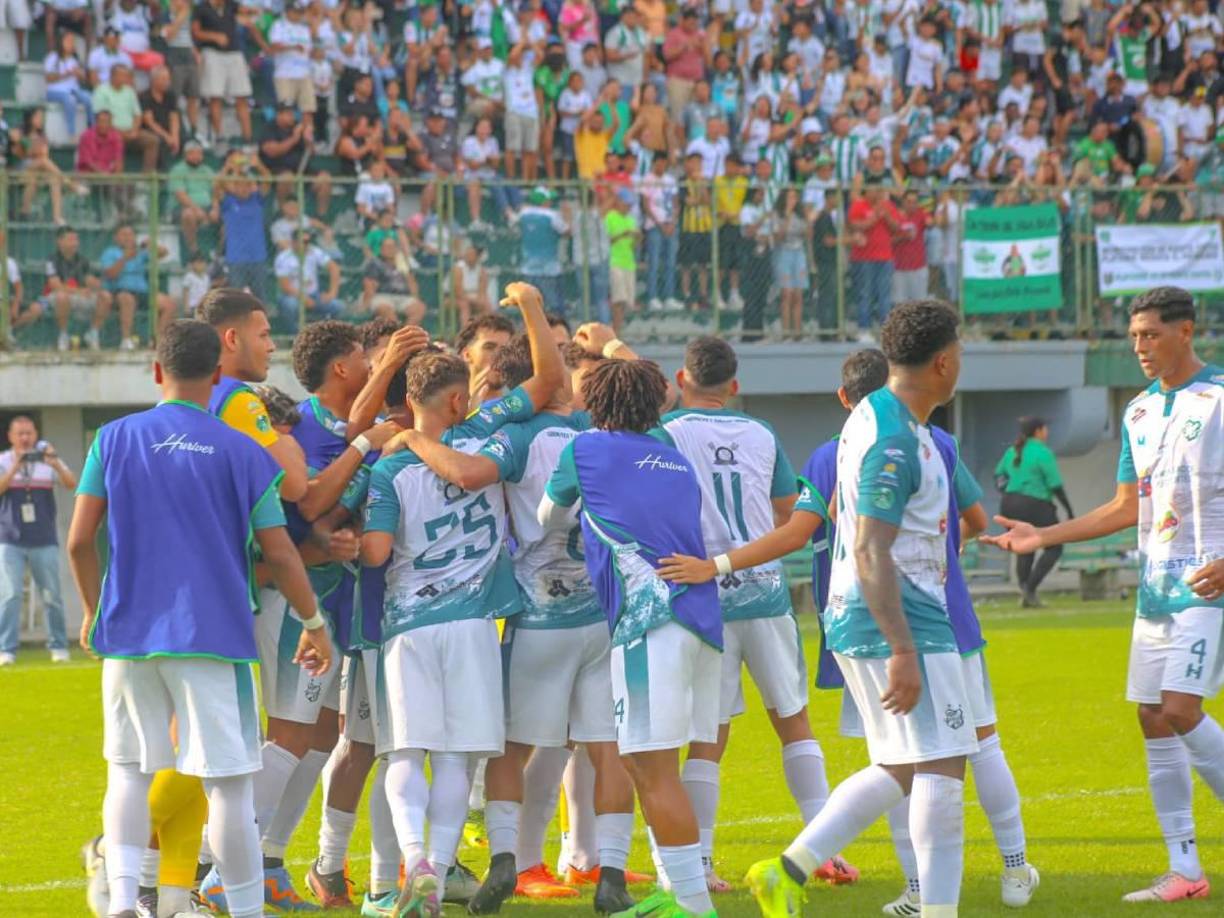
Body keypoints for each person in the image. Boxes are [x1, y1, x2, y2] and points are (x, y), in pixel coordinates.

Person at [66, 319, 332, 918]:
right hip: (215, 638)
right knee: (229, 786)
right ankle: (242, 909)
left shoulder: (111, 438)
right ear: (216, 376)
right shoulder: (242, 450)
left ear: (156, 370)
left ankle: (121, 905)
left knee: (129, 774)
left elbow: (80, 541)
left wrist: (91, 611)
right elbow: (281, 551)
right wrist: (314, 624)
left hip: (130, 637)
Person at [985, 285, 1224, 904]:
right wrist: (1044, 534)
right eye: (1135, 336)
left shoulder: (1220, 396)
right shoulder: (1140, 412)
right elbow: (1124, 506)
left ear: (1186, 332)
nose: (1141, 347)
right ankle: (1185, 869)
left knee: (1179, 709)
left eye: (1151, 335)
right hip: (1155, 586)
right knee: (1152, 718)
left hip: (1208, 583)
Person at [388, 327, 639, 914]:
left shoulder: (511, 435)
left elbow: (470, 475)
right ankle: (614, 874)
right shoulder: (598, 430)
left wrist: (410, 440)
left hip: (538, 616)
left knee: (509, 748)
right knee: (607, 750)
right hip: (603, 611)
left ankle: (505, 859)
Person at [746, 300, 978, 918]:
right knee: (943, 764)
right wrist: (903, 646)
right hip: (903, 616)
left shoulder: (879, 417)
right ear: (944, 361)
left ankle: (787, 869)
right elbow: (871, 546)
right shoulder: (896, 439)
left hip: (866, 611)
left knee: (901, 764)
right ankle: (938, 910)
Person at [361, 282, 562, 918]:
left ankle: (415, 859)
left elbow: (373, 554)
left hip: (408, 626)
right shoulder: (487, 431)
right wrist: (530, 307)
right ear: (457, 398)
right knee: (455, 757)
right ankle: (437, 880)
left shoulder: (390, 467)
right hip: (475, 624)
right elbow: (550, 379)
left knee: (405, 753)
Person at [650, 336, 856, 892]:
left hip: (702, 596)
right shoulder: (760, 433)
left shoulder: (664, 433)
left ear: (680, 379)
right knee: (794, 723)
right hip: (764, 591)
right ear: (734, 387)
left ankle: (701, 864)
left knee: (707, 738)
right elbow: (791, 512)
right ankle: (824, 852)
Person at [538, 357, 720, 918]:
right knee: (655, 763)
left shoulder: (586, 448)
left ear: (596, 403)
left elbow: (548, 516)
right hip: (701, 622)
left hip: (648, 620)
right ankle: (682, 894)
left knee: (649, 765)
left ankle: (690, 904)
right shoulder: (674, 457)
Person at [0, 416, 77, 665]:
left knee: (51, 594)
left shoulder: (47, 461)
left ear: (36, 434)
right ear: (10, 436)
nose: (25, 438)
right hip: (10, 538)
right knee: (10, 595)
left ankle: (58, 646)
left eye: (29, 433)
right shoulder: (3, 461)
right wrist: (16, 466)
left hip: (44, 538)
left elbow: (71, 483)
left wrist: (54, 462)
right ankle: (7, 649)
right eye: (20, 433)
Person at [993, 416, 1074, 607]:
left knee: (1024, 547)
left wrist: (1009, 492)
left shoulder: (1012, 451)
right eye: (1046, 429)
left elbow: (998, 476)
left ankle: (1025, 592)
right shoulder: (1042, 452)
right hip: (1035, 502)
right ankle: (1030, 588)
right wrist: (1069, 510)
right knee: (1054, 546)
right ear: (1039, 431)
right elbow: (1055, 485)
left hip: (1010, 503)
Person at [97, 222, 176, 349]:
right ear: (116, 238)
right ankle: (126, 339)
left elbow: (164, 253)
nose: (127, 238)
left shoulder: (139, 252)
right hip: (119, 291)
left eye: (130, 235)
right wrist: (124, 258)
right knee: (127, 299)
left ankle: (158, 341)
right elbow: (110, 274)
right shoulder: (110, 252)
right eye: (123, 235)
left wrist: (153, 245)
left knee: (169, 304)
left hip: (142, 292)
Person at [192, 0, 254, 144]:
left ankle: (248, 137)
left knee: (242, 95)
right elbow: (196, 32)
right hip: (212, 52)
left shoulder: (231, 5)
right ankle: (219, 135)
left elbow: (247, 12)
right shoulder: (201, 8)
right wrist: (214, 36)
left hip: (234, 52)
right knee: (215, 96)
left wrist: (251, 14)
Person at [44, 226, 114, 352]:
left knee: (105, 296)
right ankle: (63, 335)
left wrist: (96, 284)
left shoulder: (82, 260)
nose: (75, 243)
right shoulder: (52, 260)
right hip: (60, 296)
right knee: (61, 297)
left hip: (81, 295)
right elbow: (55, 285)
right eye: (70, 239)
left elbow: (87, 279)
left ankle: (93, 333)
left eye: (76, 239)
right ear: (60, 241)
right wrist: (78, 291)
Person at [606, 187, 639, 330]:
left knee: (627, 302)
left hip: (629, 263)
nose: (628, 207)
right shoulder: (610, 217)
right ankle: (616, 331)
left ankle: (617, 328)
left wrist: (638, 238)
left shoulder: (631, 220)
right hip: (614, 261)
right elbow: (606, 240)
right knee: (618, 299)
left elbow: (634, 246)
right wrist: (623, 234)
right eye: (626, 204)